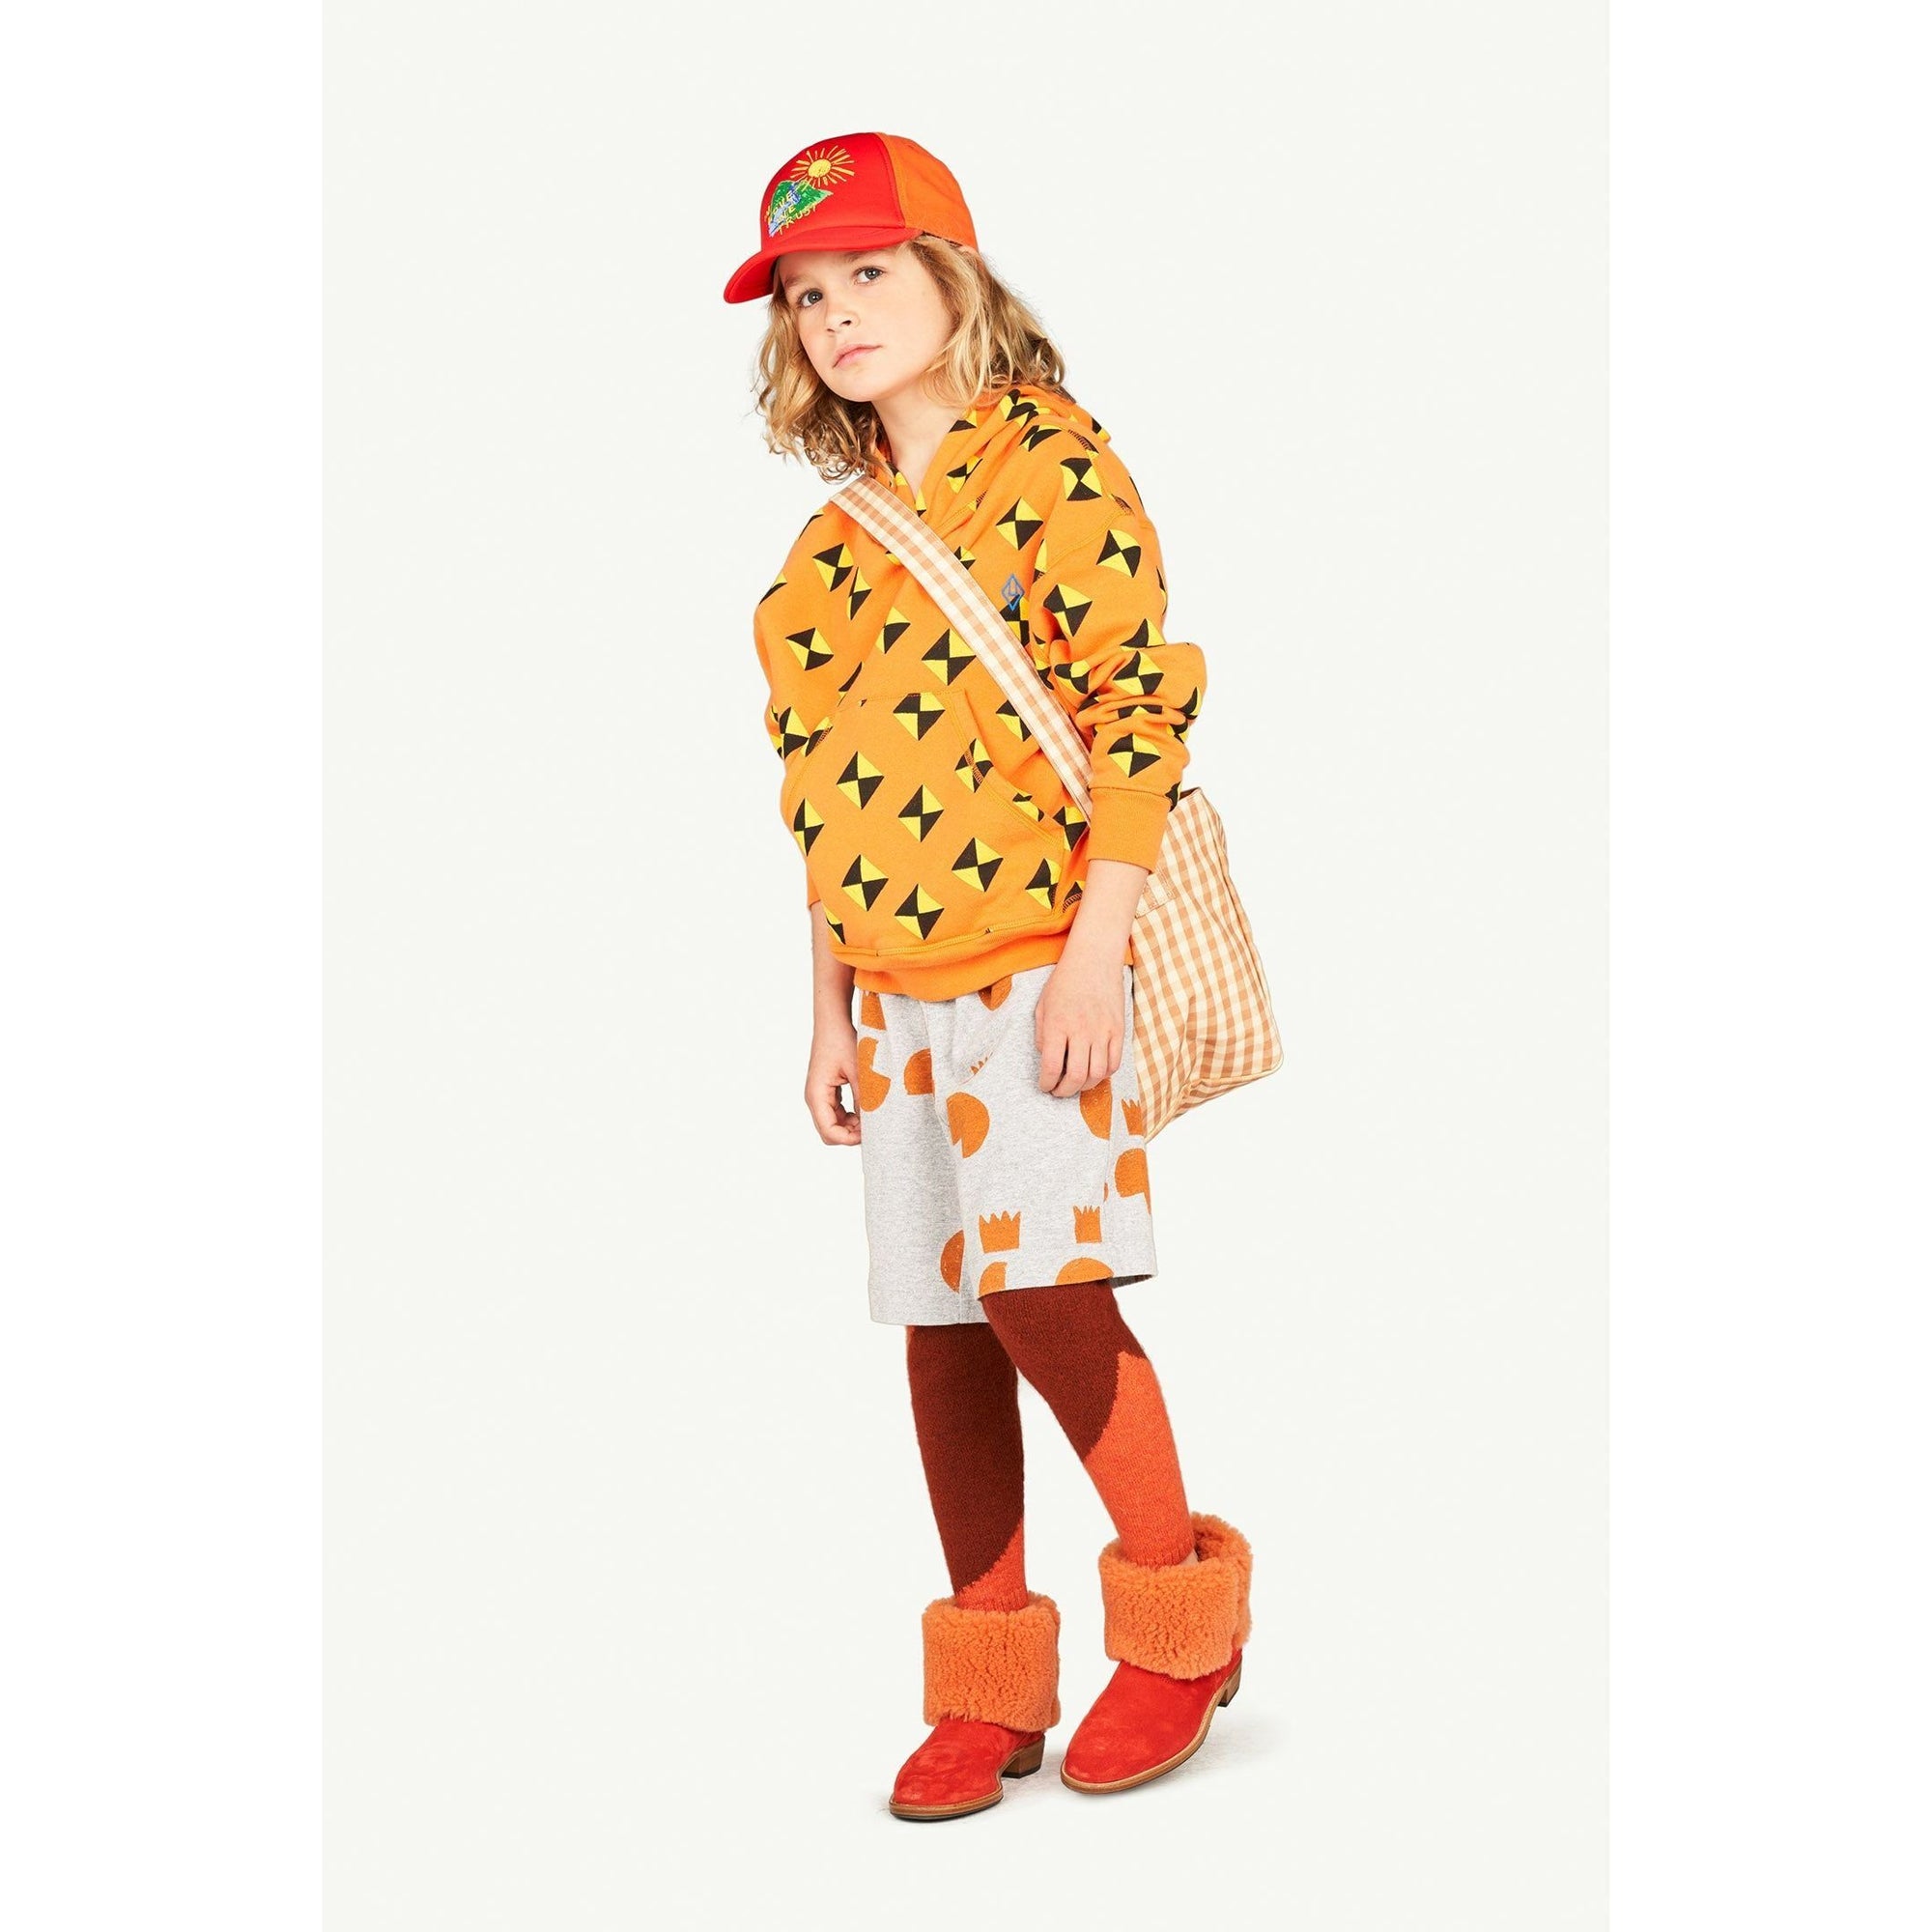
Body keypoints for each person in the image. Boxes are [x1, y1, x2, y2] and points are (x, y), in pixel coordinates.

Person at [724, 131, 1253, 1821]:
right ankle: (989, 1678)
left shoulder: (1052, 463)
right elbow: (819, 795)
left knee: (1047, 1296)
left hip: (1038, 964)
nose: (836, 314)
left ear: (955, 278)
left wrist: (1094, 954)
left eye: (869, 273)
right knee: (943, 1325)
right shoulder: (822, 556)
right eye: (807, 294)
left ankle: (1176, 1624)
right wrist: (827, 1012)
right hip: (894, 995)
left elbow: (1136, 712)